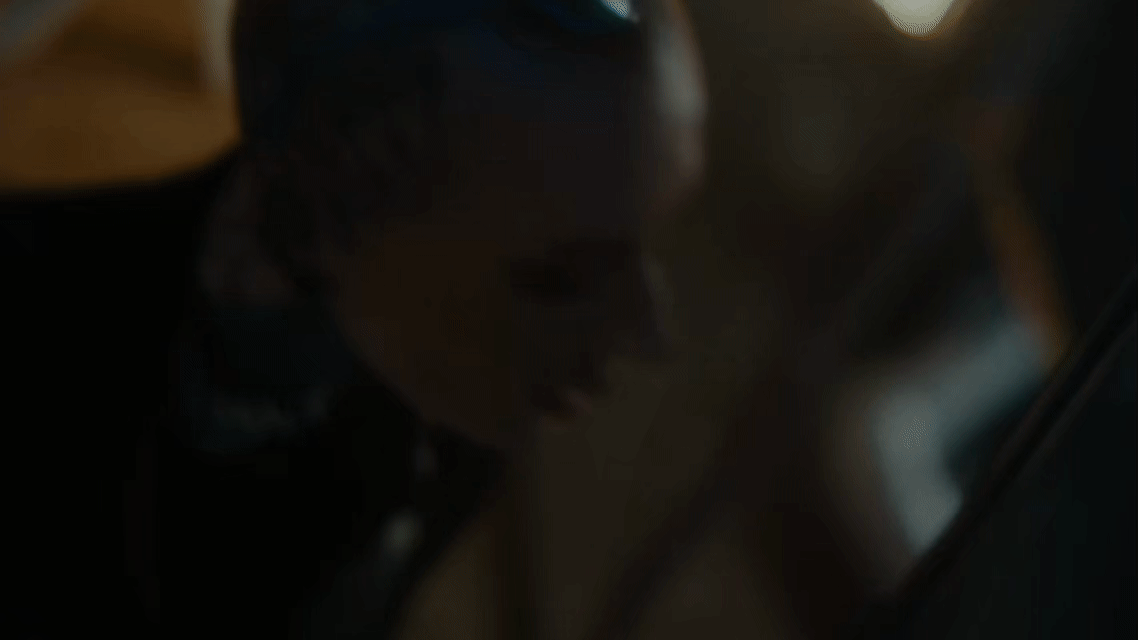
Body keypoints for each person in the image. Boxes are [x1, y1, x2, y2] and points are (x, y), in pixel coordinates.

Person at [0, 0, 706, 638]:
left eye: (643, 245)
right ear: (336, 210)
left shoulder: (447, 396)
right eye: (561, 275)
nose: (646, 331)